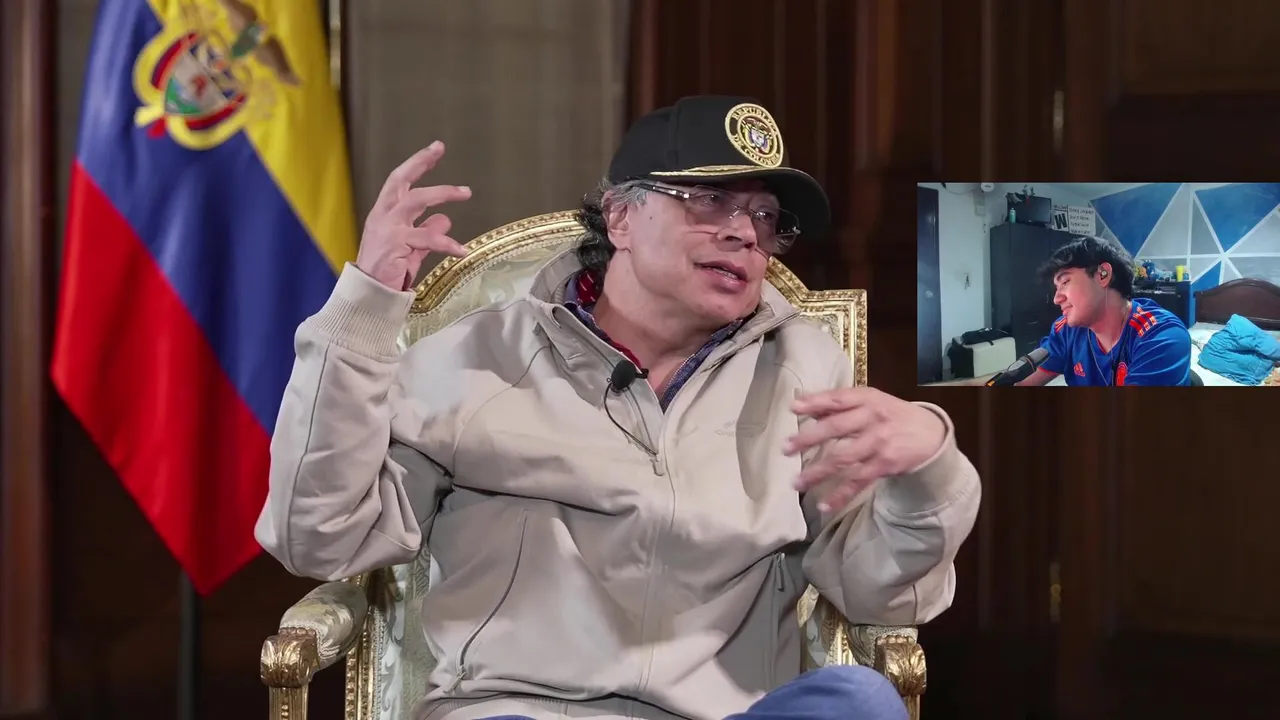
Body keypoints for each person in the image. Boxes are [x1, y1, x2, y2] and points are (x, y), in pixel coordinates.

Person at [256, 95, 981, 720]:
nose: (744, 232)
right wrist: (362, 313)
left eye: (766, 217)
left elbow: (881, 593)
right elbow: (322, 537)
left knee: (859, 699)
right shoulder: (476, 358)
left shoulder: (804, 370)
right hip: (520, 709)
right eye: (710, 201)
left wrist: (929, 471)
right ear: (621, 217)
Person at [1016, 236, 1192, 386]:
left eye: (1065, 282)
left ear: (1103, 275)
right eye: (1056, 287)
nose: (1056, 298)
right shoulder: (1066, 331)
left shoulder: (1161, 336)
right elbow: (1022, 382)